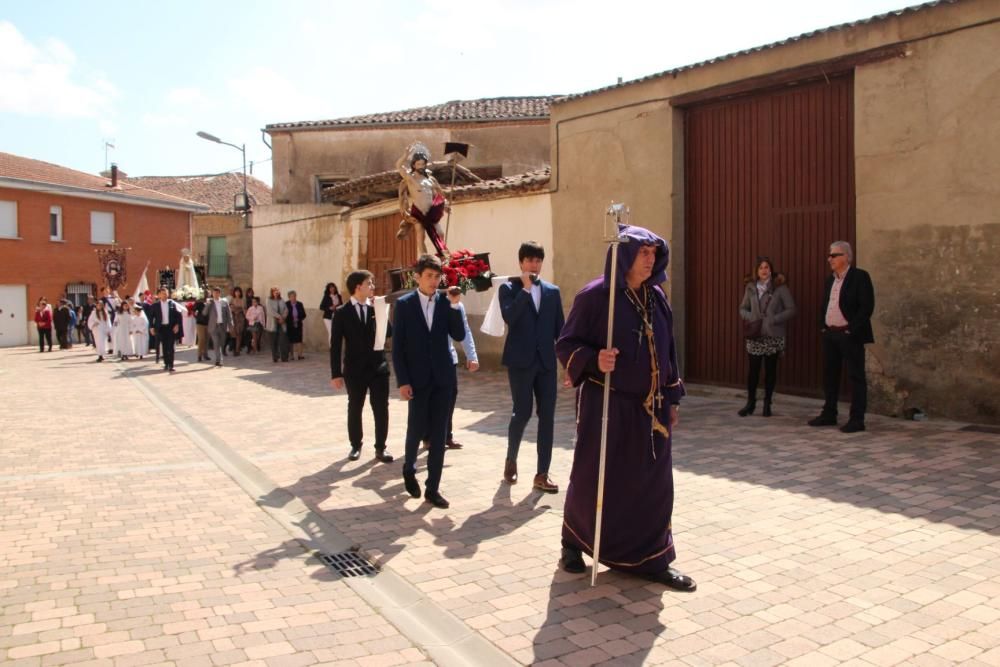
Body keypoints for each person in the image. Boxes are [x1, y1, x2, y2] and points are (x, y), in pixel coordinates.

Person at [555, 224, 695, 591]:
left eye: (653, 253)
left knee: (653, 484)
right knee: (595, 477)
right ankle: (574, 542)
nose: (649, 260)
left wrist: (672, 396)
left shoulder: (657, 298)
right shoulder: (596, 297)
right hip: (607, 404)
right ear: (624, 256)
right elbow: (566, 344)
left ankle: (652, 557)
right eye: (642, 253)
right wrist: (593, 358)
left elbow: (668, 351)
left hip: (652, 411)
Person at [392, 254, 466, 509]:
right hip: (417, 379)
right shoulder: (404, 304)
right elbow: (398, 347)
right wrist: (403, 381)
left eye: (437, 277)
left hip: (444, 378)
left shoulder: (447, 303)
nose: (434, 282)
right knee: (416, 429)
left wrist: (456, 306)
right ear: (418, 277)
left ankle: (432, 488)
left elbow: (458, 334)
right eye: (429, 276)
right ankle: (409, 468)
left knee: (439, 434)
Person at [499, 241, 565, 492]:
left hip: (547, 364)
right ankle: (511, 458)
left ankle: (542, 473)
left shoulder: (552, 291)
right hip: (520, 362)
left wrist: (569, 364)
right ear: (521, 263)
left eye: (538, 260)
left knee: (547, 417)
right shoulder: (508, 289)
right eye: (529, 260)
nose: (534, 265)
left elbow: (561, 330)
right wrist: (525, 291)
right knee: (522, 413)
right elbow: (509, 317)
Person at [808, 241, 875, 433]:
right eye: (829, 255)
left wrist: (850, 329)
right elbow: (826, 304)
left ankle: (857, 419)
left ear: (846, 256)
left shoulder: (860, 277)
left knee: (856, 376)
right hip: (831, 334)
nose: (829, 259)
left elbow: (866, 307)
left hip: (850, 335)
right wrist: (823, 326)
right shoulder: (830, 280)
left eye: (834, 255)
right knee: (830, 375)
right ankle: (829, 413)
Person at [330, 270, 394, 463]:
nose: (373, 287)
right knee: (355, 407)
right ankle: (355, 446)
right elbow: (335, 346)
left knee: (381, 408)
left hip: (378, 367)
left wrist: (381, 312)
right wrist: (336, 374)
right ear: (358, 286)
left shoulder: (377, 308)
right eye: (370, 283)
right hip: (354, 370)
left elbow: (388, 333)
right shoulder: (341, 313)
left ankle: (381, 448)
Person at [737, 257, 797, 417]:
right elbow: (742, 309)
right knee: (753, 371)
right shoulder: (750, 288)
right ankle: (750, 403)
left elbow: (791, 309)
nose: (764, 270)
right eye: (761, 268)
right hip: (755, 335)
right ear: (757, 271)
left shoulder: (780, 288)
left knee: (770, 371)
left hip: (773, 336)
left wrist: (774, 319)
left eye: (767, 267)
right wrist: (752, 317)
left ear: (771, 270)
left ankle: (767, 404)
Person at [422, 288, 478, 451]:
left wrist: (472, 355)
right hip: (426, 360)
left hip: (448, 358)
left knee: (449, 398)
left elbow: (464, 330)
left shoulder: (457, 306)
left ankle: (447, 435)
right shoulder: (424, 303)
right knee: (429, 398)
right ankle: (427, 436)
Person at [395, 144, 450, 256]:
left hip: (431, 212)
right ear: (414, 165)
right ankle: (424, 259)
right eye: (418, 164)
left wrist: (445, 205)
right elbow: (398, 166)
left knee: (440, 233)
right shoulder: (410, 178)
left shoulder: (430, 179)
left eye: (423, 164)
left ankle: (443, 256)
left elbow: (440, 195)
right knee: (421, 235)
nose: (421, 166)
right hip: (418, 212)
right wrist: (405, 156)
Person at [149, 287, 182, 372]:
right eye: (163, 293)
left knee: (171, 347)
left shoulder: (172, 304)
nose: (165, 295)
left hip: (170, 328)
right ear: (159, 295)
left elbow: (178, 315)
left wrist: (177, 325)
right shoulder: (155, 305)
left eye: (166, 293)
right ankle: (166, 364)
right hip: (161, 328)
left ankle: (171, 365)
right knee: (164, 347)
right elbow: (151, 317)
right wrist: (151, 327)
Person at [205, 287, 232, 367]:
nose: (216, 295)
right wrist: (207, 305)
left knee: (222, 343)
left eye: (217, 293)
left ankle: (219, 358)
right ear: (212, 294)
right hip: (214, 326)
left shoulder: (224, 302)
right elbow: (204, 313)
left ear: (220, 293)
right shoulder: (210, 303)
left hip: (222, 326)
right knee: (216, 343)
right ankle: (218, 360)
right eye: (214, 293)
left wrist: (231, 324)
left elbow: (229, 314)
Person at [265, 287, 289, 362]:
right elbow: (270, 311)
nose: (276, 293)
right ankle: (275, 357)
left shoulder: (281, 300)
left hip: (282, 323)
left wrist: (283, 317)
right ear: (272, 292)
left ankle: (284, 357)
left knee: (283, 340)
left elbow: (286, 309)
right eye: (275, 291)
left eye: (277, 291)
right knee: (273, 341)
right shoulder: (269, 300)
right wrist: (279, 317)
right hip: (272, 323)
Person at [319, 282, 343, 347]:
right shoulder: (326, 297)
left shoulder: (339, 296)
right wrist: (330, 308)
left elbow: (341, 305)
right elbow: (321, 307)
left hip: (337, 316)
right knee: (331, 332)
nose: (332, 289)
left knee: (336, 332)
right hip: (328, 317)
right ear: (328, 289)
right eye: (330, 288)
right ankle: (332, 347)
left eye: (333, 287)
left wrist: (338, 307)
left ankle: (336, 347)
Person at [285, 291, 307, 360]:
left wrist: (298, 318)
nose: (293, 298)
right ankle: (291, 355)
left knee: (299, 339)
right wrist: (291, 320)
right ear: (289, 297)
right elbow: (285, 314)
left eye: (294, 296)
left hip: (298, 324)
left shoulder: (300, 304)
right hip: (290, 324)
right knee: (290, 340)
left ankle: (300, 355)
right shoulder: (286, 304)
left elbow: (304, 314)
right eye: (292, 296)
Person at [229, 286, 247, 356]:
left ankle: (237, 349)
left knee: (239, 333)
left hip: (240, 317)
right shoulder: (232, 300)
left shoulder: (242, 300)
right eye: (236, 292)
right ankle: (233, 348)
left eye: (239, 292)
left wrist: (245, 315)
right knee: (234, 334)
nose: (237, 293)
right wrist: (234, 309)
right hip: (233, 317)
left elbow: (244, 309)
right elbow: (230, 308)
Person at [194, 295, 210, 362]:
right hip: (200, 323)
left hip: (208, 323)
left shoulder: (210, 303)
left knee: (206, 339)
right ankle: (199, 355)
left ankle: (205, 354)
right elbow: (194, 310)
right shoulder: (199, 303)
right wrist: (197, 316)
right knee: (201, 339)